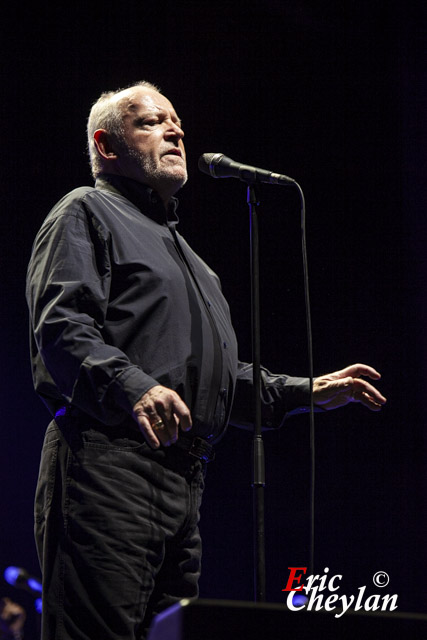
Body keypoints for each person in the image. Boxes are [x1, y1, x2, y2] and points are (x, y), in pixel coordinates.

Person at [26, 81, 386, 640]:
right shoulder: (87, 210)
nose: (176, 131)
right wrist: (131, 385)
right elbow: (60, 327)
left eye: (177, 122)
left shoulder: (193, 261)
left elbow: (215, 382)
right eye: (152, 122)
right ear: (107, 144)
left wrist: (303, 390)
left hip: (184, 482)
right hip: (107, 466)